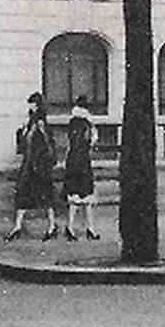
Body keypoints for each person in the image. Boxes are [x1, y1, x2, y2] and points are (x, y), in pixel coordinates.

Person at [4, 92, 57, 241]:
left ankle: (51, 226)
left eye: (33, 104)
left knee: (43, 195)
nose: (30, 106)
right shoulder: (31, 122)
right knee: (24, 194)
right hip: (30, 164)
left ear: (38, 105)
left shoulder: (40, 123)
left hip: (38, 166)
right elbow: (24, 145)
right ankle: (18, 226)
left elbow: (46, 143)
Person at [62, 95, 101, 241]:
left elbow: (71, 143)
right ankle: (89, 228)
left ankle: (71, 227)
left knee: (75, 196)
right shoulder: (87, 123)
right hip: (83, 162)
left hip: (73, 161)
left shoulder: (73, 122)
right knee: (86, 196)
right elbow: (90, 141)